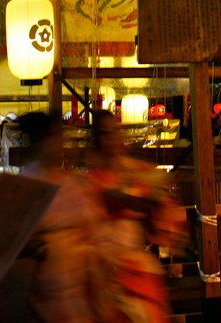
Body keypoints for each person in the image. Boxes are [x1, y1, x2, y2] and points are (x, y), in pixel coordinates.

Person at [86, 110, 186, 322]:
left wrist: (153, 210)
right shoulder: (90, 181)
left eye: (114, 132)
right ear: (96, 140)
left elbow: (165, 207)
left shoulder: (138, 172)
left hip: (134, 262)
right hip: (102, 267)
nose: (111, 139)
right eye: (105, 134)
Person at [13, 112, 98, 322]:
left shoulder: (72, 184)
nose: (62, 144)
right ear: (40, 141)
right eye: (57, 137)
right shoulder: (24, 186)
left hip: (77, 288)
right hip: (43, 292)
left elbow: (92, 232)